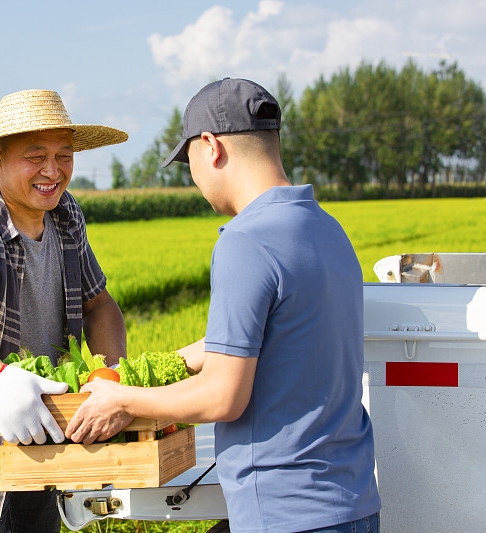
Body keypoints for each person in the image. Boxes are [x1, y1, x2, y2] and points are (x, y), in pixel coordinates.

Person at [65, 78, 382, 533]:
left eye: (188, 160)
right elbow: (269, 337)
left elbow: (223, 395)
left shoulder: (246, 241)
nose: (192, 178)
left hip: (284, 513)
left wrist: (123, 400)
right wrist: (163, 364)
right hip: (351, 505)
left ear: (211, 146)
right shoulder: (325, 228)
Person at [0, 89, 128, 532]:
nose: (52, 171)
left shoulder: (65, 213)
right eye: (36, 157)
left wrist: (110, 378)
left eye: (64, 156)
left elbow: (99, 304)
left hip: (45, 422)